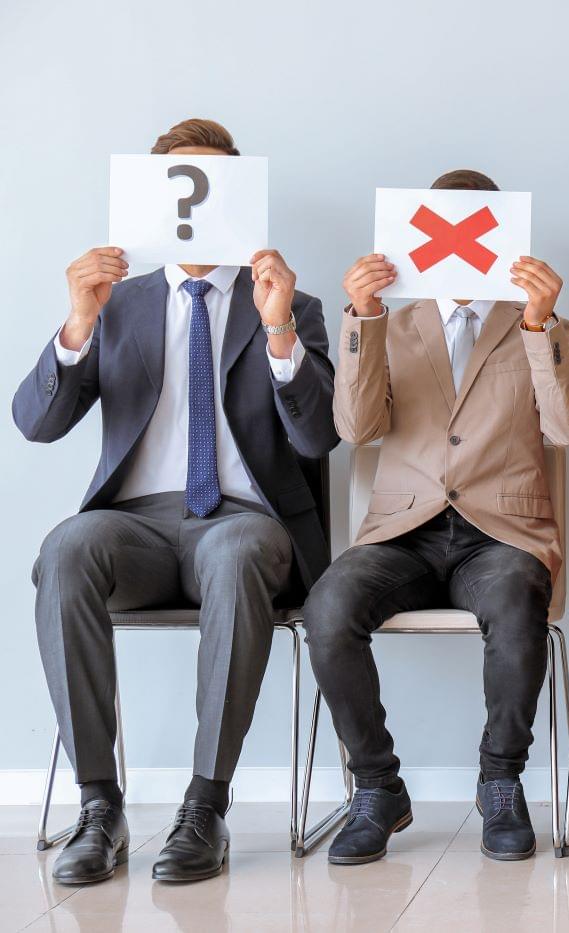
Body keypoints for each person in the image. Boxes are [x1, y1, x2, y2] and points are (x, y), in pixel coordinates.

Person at [13, 118, 337, 884]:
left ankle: (205, 804)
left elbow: (321, 437)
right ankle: (99, 806)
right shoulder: (117, 303)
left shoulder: (289, 303)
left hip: (244, 522)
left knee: (234, 550)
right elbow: (35, 421)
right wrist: (77, 323)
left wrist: (281, 329)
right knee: (64, 546)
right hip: (135, 528)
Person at [302, 169, 569, 864]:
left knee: (522, 605)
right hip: (404, 531)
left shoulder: (536, 321)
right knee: (329, 604)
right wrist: (362, 319)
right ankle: (376, 785)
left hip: (501, 534)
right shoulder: (390, 321)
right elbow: (357, 426)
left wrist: (538, 325)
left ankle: (500, 778)